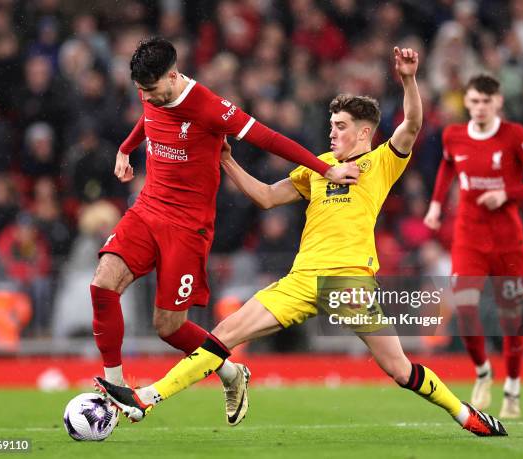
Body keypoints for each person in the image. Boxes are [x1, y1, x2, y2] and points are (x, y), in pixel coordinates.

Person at [95, 47, 507, 437]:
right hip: (301, 280)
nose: (332, 134)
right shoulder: (321, 168)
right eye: (331, 126)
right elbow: (268, 197)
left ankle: (465, 414)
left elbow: (412, 124)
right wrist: (228, 162)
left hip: (349, 282)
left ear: (365, 132)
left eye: (340, 127)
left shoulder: (381, 161)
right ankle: (146, 398)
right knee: (224, 334)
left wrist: (409, 80)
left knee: (400, 370)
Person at [90, 37, 359, 426]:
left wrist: (326, 169)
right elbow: (147, 117)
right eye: (140, 91)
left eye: (151, 90)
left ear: (172, 75)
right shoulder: (153, 94)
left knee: (169, 327)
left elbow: (268, 137)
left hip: (187, 227)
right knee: (102, 285)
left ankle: (231, 374)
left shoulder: (209, 107)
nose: (145, 97)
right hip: (147, 209)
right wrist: (125, 147)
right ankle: (114, 390)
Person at [422, 74, 523, 419]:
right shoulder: (454, 135)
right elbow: (447, 166)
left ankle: (512, 387)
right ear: (467, 102)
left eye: (486, 101)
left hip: (508, 240)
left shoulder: (515, 136)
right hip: (469, 237)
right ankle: (483, 372)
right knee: (464, 310)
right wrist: (436, 206)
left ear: (498, 102)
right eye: (474, 101)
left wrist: (507, 194)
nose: (480, 107)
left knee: (512, 319)